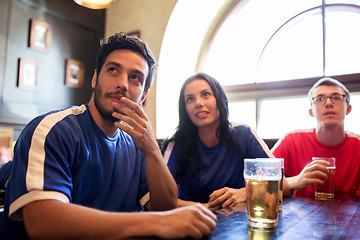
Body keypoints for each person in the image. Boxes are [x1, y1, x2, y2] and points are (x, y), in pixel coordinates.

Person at [0, 33, 217, 239]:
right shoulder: (53, 129)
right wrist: (156, 222)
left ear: (143, 96)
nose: (123, 83)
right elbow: (42, 223)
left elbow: (165, 208)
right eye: (113, 70)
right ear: (95, 78)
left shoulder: (137, 145)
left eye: (135, 78)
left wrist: (151, 149)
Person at [162, 73, 274, 212]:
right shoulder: (176, 143)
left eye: (205, 94)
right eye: (190, 99)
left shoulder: (244, 134)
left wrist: (246, 192)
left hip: (237, 222)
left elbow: (280, 184)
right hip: (190, 221)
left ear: (220, 99)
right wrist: (206, 208)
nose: (198, 103)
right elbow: (161, 199)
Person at [272, 77, 360, 198]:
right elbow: (263, 177)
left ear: (348, 109)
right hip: (297, 216)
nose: (328, 103)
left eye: (336, 98)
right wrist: (295, 181)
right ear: (311, 112)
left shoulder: (358, 146)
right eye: (320, 99)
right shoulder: (291, 140)